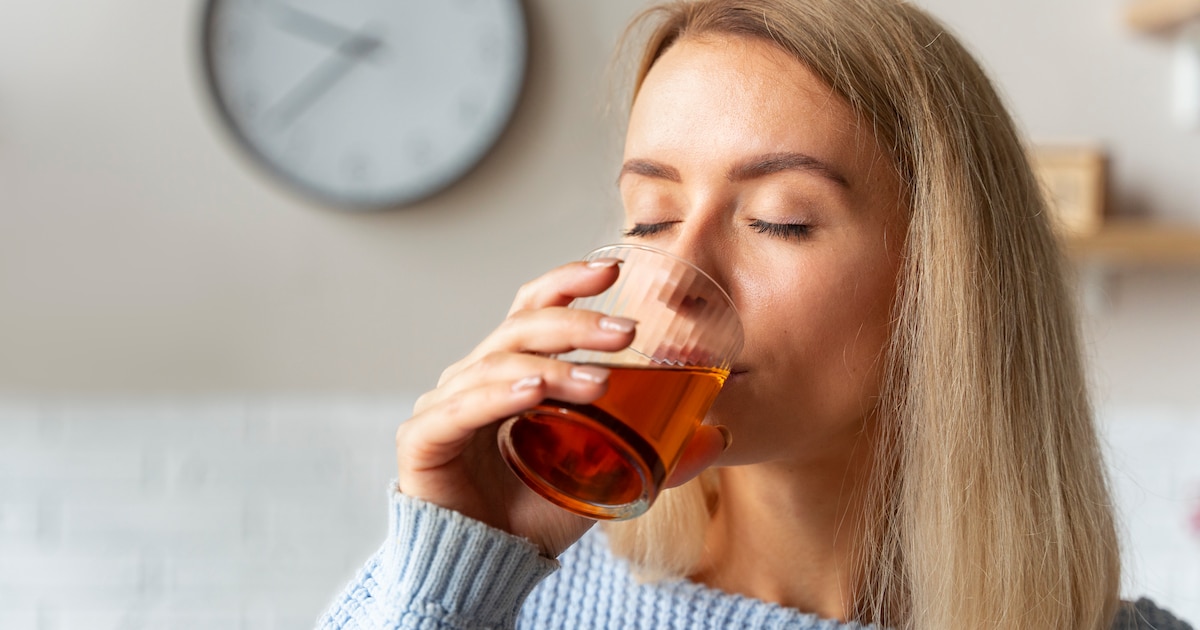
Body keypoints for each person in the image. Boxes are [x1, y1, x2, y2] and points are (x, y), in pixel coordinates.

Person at [318, 1, 1193, 628]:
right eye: (651, 219)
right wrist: (459, 579)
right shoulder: (484, 591)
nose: (680, 276)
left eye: (781, 219)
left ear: (947, 278)